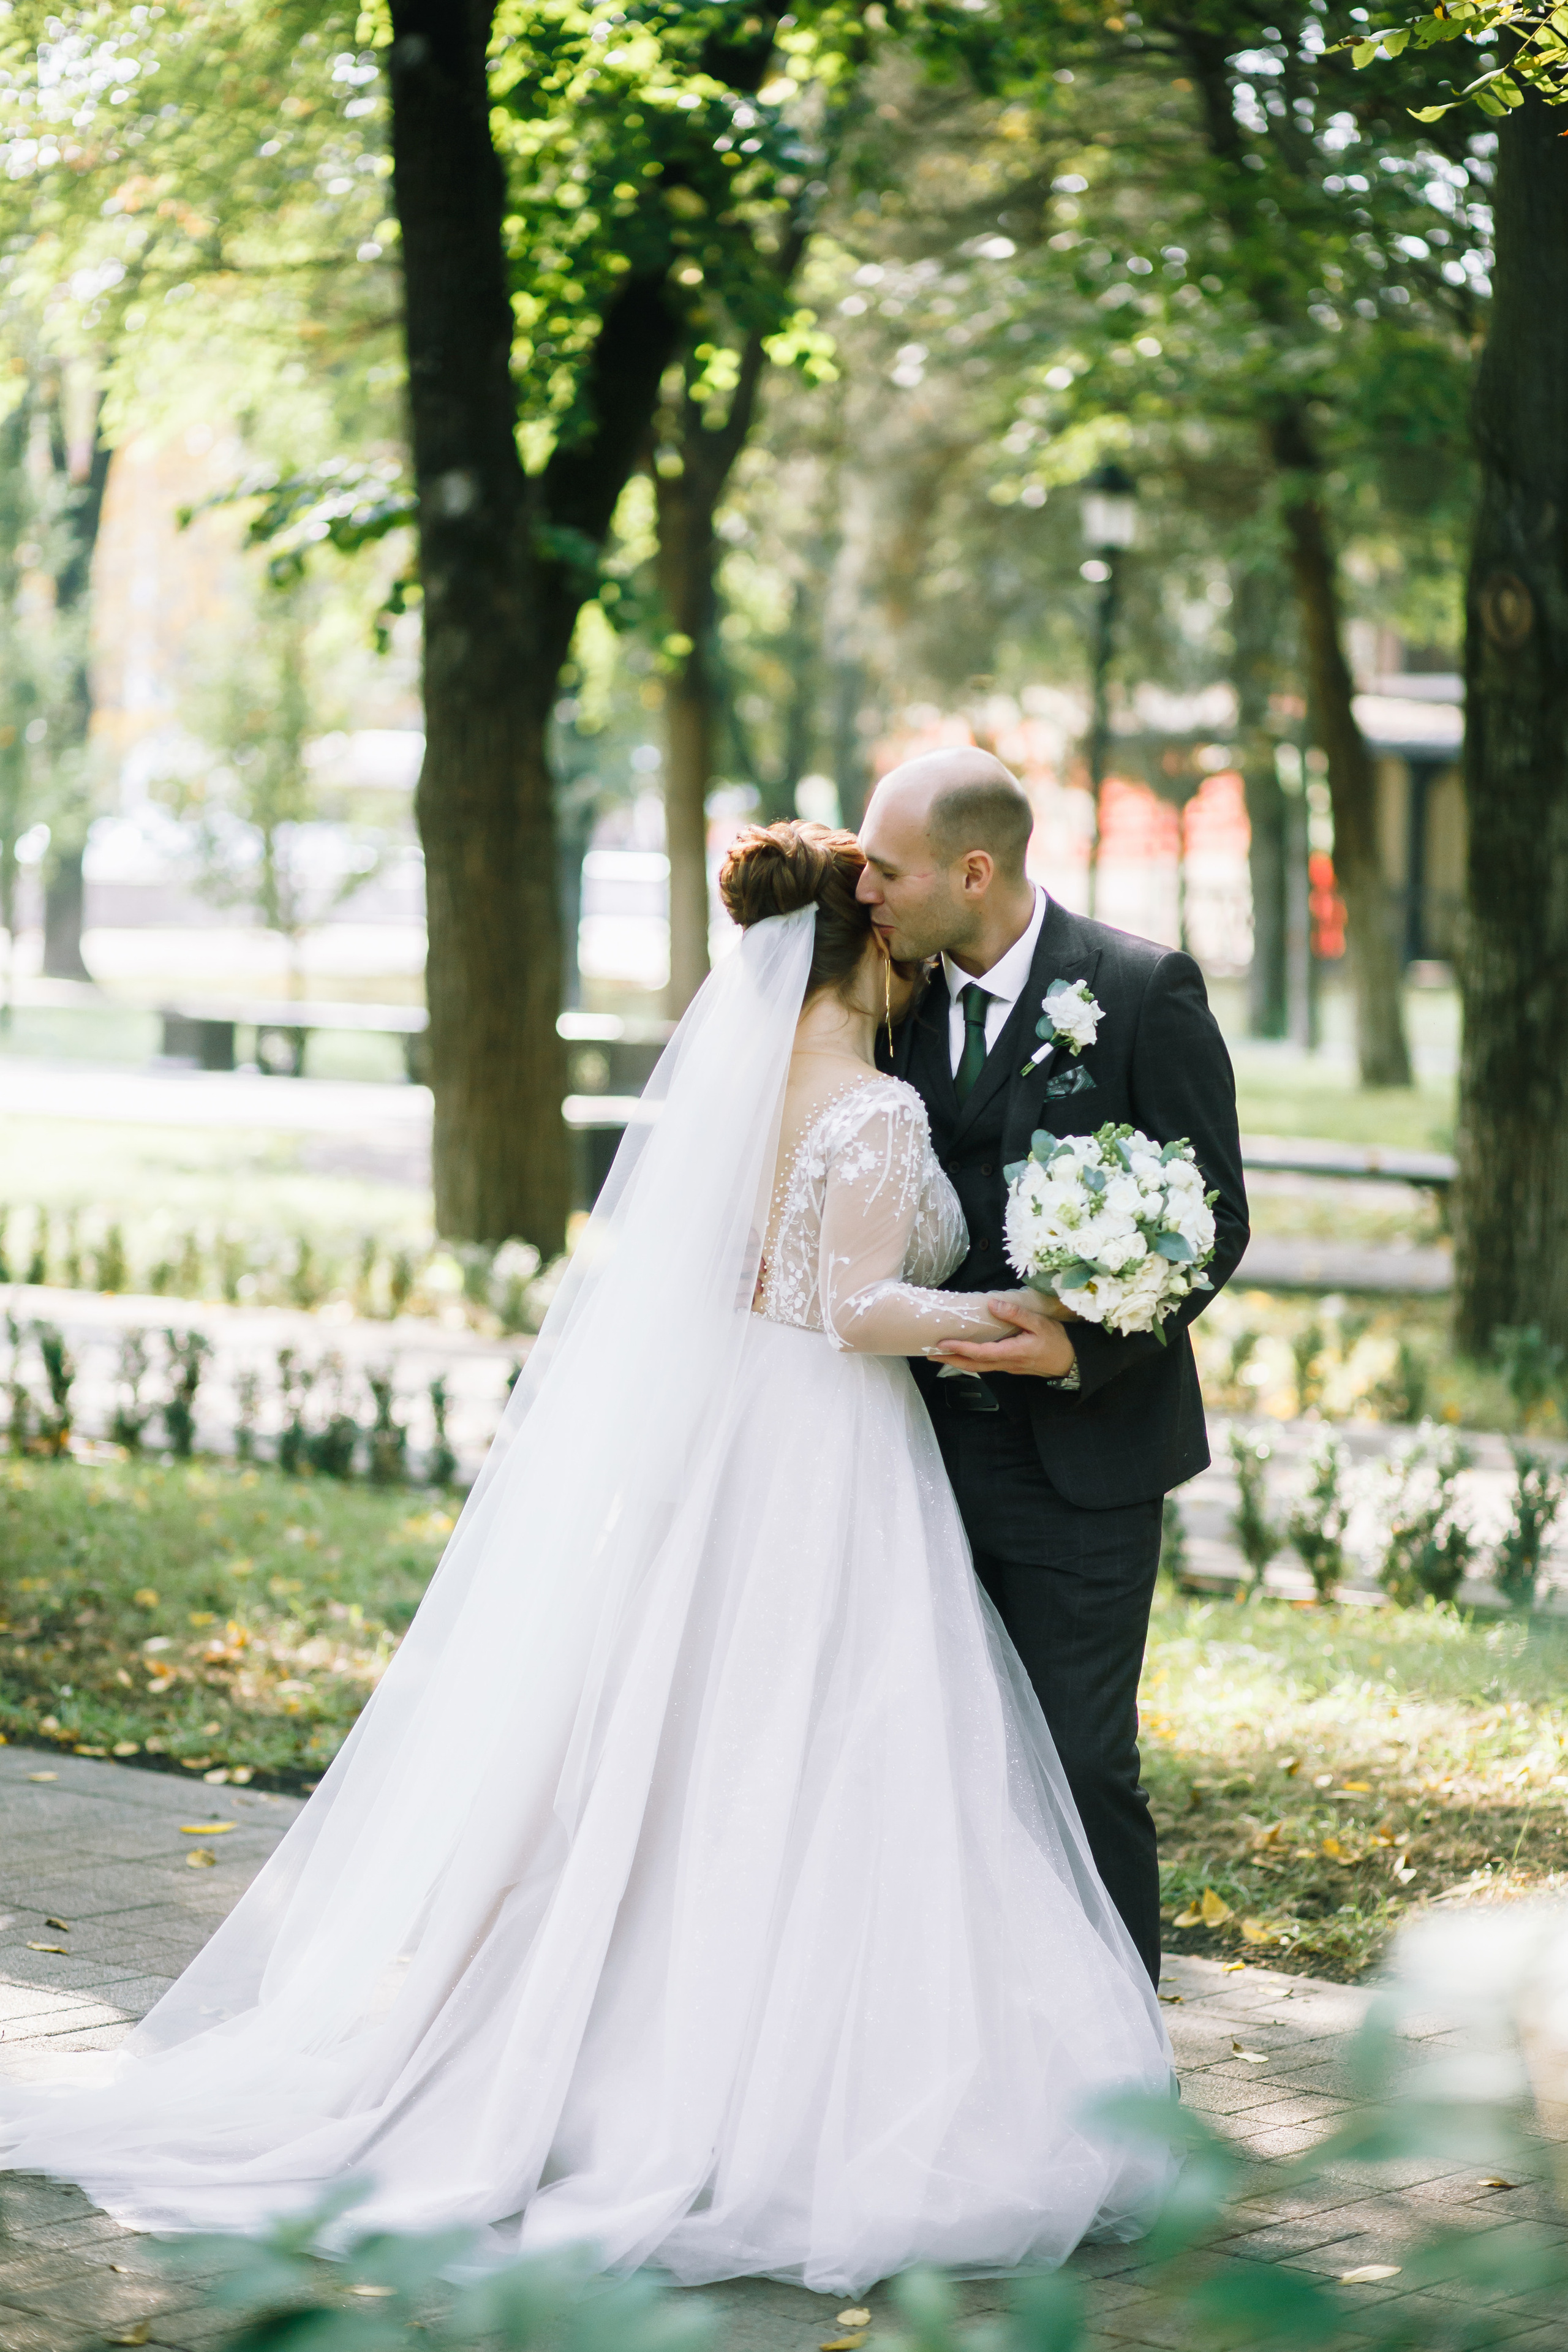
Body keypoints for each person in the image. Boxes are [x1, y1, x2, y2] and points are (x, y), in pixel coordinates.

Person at [0, 824, 1172, 2295]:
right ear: (865, 943)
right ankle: (764, 2077)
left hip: (728, 1438)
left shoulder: (738, 1098)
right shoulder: (867, 1107)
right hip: (829, 1444)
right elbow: (856, 1306)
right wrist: (1002, 1313)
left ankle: (614, 2039)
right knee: (833, 1741)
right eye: (894, 938)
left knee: (685, 1743)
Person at [858, 748, 1250, 1986]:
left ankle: (1119, 2062)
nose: (864, 892)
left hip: (1080, 1460)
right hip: (897, 1448)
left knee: (1079, 1764)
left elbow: (1214, 1216)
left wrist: (1083, 1338)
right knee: (923, 1766)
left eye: (886, 869)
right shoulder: (878, 997)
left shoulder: (1137, 992)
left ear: (973, 873)